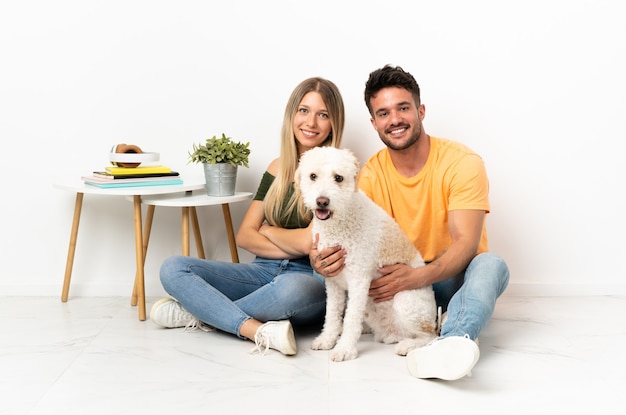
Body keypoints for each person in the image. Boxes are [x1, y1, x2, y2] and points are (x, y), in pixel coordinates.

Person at [310, 65, 510, 380]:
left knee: (493, 265)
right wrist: (319, 259)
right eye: (384, 113)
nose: (395, 120)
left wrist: (416, 277)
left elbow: (466, 243)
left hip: (450, 277)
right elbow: (346, 231)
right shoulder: (371, 174)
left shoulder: (462, 163)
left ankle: (451, 341)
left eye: (403, 108)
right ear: (374, 123)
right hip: (397, 287)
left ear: (420, 110)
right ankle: (438, 326)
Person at [150, 77, 345, 356]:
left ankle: (201, 312)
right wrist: (276, 237)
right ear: (292, 115)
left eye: (322, 114)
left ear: (333, 123)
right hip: (261, 271)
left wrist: (267, 231)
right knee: (173, 267)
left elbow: (307, 243)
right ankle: (256, 330)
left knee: (294, 288)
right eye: (303, 111)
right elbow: (245, 236)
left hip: (307, 280)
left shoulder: (338, 172)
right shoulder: (277, 168)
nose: (311, 122)